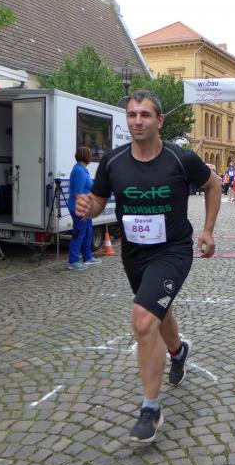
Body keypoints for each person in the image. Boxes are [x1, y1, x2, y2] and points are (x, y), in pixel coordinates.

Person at [74, 90, 220, 443]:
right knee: (157, 311)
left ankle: (150, 409)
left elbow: (213, 184)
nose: (137, 121)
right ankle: (178, 352)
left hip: (172, 250)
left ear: (159, 120)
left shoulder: (180, 159)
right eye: (132, 115)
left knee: (142, 319)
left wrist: (208, 230)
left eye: (145, 115)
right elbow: (99, 201)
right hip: (135, 254)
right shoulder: (113, 162)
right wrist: (89, 208)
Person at [67, 146, 102, 270]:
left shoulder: (83, 170)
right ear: (87, 157)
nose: (91, 157)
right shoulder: (79, 171)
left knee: (88, 232)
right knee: (79, 234)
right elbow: (78, 193)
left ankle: (88, 257)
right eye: (90, 155)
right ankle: (73, 261)